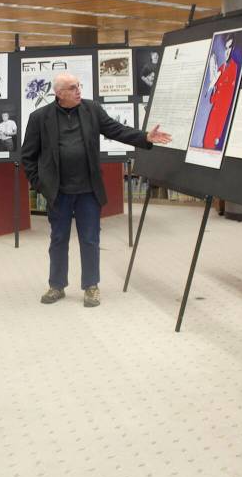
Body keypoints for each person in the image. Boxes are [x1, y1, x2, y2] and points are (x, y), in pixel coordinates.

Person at [21, 73, 171, 307]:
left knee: (90, 239)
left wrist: (145, 137)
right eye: (73, 88)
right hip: (58, 192)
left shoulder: (91, 110)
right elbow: (28, 157)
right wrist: (41, 185)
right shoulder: (40, 118)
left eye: (79, 86)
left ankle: (91, 286)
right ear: (59, 93)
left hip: (88, 190)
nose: (79, 90)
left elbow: (116, 130)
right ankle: (56, 285)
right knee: (58, 239)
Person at [202, 35, 238, 150]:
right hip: (213, 114)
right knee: (206, 143)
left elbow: (228, 103)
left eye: (230, 48)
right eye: (225, 48)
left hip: (221, 120)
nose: (227, 51)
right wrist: (213, 88)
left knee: (213, 146)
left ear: (233, 49)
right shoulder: (220, 69)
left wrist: (219, 133)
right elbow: (213, 99)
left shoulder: (234, 68)